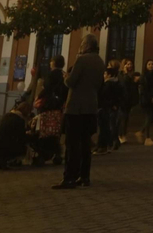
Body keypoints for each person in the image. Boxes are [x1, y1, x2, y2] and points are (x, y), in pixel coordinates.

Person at [57, 32, 104, 188]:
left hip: (75, 107)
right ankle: (85, 177)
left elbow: (71, 82)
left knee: (72, 144)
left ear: (86, 45)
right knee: (85, 145)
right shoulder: (100, 61)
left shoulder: (81, 60)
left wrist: (66, 76)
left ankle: (69, 177)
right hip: (91, 106)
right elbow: (99, 84)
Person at [32, 55, 68, 164]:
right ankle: (57, 153)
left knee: (46, 131)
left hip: (48, 106)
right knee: (56, 131)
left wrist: (39, 97)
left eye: (51, 61)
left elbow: (46, 89)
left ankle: (44, 154)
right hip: (59, 107)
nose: (50, 63)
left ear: (54, 63)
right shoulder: (64, 75)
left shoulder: (51, 75)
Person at [0, 98, 30, 170]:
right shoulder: (19, 120)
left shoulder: (7, 116)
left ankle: (1, 160)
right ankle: (7, 159)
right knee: (22, 148)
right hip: (1, 147)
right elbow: (21, 137)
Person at [97, 67, 122, 153]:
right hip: (111, 106)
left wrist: (112, 104)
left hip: (107, 107)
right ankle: (112, 143)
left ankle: (109, 143)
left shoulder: (108, 84)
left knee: (108, 126)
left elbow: (106, 96)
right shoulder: (116, 83)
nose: (103, 75)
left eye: (105, 74)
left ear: (109, 75)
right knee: (110, 125)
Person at [117, 59, 137, 143]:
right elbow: (124, 83)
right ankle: (121, 135)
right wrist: (125, 73)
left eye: (131, 64)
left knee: (126, 118)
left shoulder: (132, 75)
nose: (130, 66)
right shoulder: (121, 75)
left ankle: (122, 134)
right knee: (123, 118)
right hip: (122, 99)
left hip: (129, 99)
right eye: (128, 64)